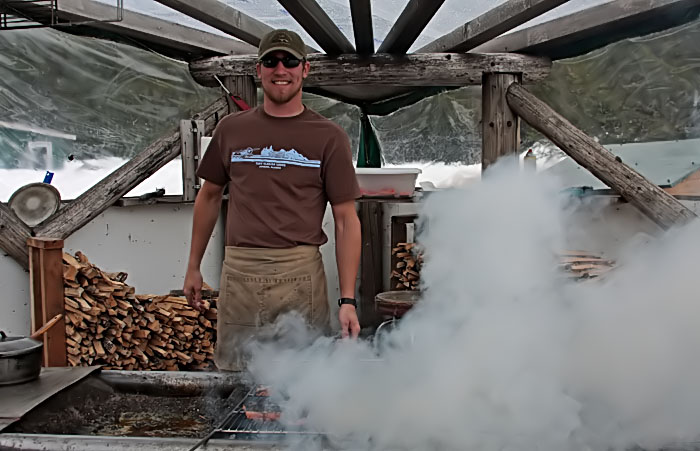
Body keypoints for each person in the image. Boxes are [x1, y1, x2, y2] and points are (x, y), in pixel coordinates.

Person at [183, 29, 362, 371]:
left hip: (300, 275)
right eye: (271, 61)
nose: (281, 69)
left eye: (290, 61)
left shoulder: (329, 137)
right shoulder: (231, 130)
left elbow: (345, 219)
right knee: (236, 378)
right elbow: (208, 196)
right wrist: (193, 266)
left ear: (305, 69)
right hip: (240, 273)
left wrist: (348, 300)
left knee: (304, 379)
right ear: (258, 69)